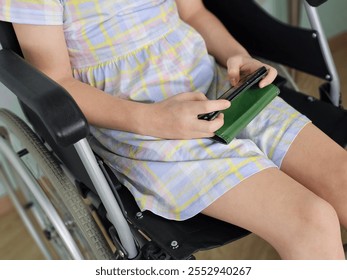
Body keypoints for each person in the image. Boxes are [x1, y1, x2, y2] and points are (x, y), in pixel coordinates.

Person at [1, 0, 346, 260]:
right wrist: (153, 120)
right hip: (137, 123)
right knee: (313, 222)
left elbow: (193, 13)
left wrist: (237, 57)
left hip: (214, 85)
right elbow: (56, 81)